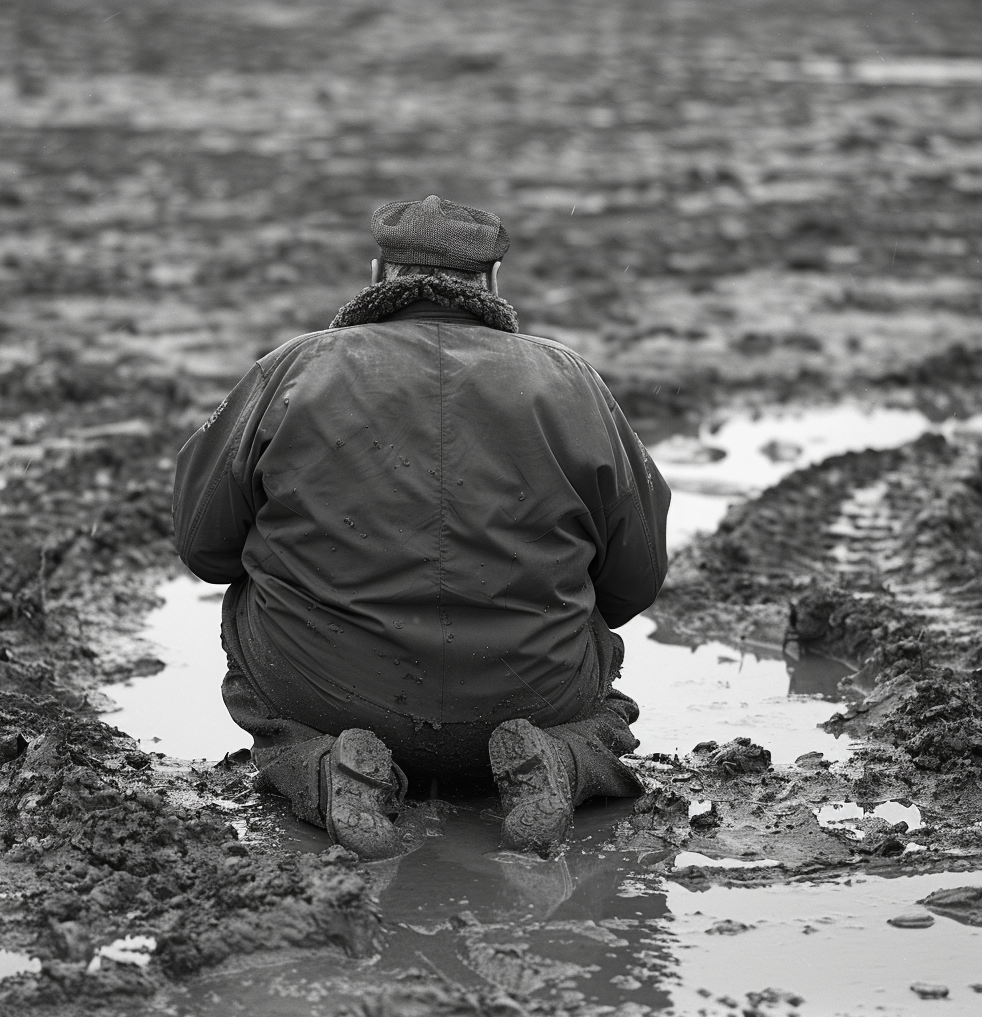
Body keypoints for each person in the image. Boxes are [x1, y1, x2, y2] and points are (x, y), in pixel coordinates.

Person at [173, 196, 670, 860]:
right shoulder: (571, 380)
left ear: (378, 273)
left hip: (328, 694)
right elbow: (634, 581)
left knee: (247, 628)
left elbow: (204, 547)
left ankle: (327, 769)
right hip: (529, 691)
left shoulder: (293, 370)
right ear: (491, 284)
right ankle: (561, 760)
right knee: (603, 695)